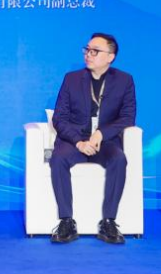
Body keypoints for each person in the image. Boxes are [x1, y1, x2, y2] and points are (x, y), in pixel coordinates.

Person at [49, 33, 136, 244]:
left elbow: (127, 117)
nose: (88, 54)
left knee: (119, 159)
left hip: (105, 142)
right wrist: (78, 142)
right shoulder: (72, 79)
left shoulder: (124, 80)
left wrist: (101, 134)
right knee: (58, 158)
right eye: (87, 50)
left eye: (95, 51)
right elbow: (59, 118)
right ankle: (66, 221)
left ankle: (109, 222)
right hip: (74, 141)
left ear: (110, 57)